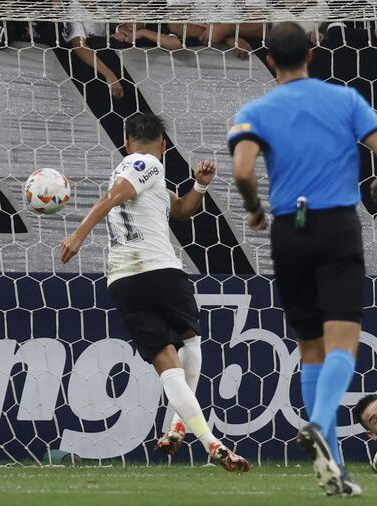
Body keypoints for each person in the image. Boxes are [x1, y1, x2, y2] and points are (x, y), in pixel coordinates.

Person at [228, 21, 377, 496]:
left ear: (268, 60)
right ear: (313, 52)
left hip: (290, 230)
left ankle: (335, 471)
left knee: (310, 349)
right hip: (337, 225)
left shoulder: (256, 110)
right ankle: (322, 424)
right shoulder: (343, 100)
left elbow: (242, 169)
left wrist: (254, 208)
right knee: (344, 343)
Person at [60, 113, 251, 473]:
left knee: (167, 364)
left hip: (123, 282)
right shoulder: (143, 163)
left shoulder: (141, 175)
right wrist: (78, 234)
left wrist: (201, 186)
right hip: (159, 270)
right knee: (191, 342)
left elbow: (179, 211)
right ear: (163, 145)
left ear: (126, 138)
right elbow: (115, 197)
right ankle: (181, 427)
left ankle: (200, 438)